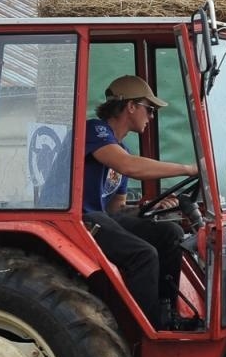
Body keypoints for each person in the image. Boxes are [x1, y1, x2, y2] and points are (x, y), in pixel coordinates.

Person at [84, 75, 200, 329]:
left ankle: (168, 315)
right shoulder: (95, 131)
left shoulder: (121, 149)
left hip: (102, 218)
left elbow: (116, 210)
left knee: (171, 233)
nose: (151, 116)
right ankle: (147, 331)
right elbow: (130, 167)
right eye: (150, 109)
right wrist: (188, 169)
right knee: (144, 255)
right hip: (81, 220)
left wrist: (149, 208)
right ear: (131, 106)